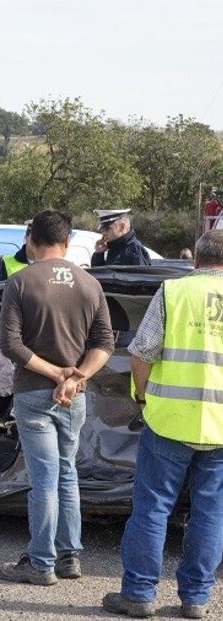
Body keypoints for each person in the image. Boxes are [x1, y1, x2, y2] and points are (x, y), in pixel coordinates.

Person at [101, 229, 223, 620]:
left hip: (169, 421)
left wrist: (142, 395)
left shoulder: (173, 292)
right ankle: (196, 600)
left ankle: (138, 595)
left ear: (196, 260)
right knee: (212, 513)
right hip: (221, 428)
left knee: (153, 509)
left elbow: (141, 353)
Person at [0, 210, 114, 586]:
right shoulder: (90, 284)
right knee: (67, 474)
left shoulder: (20, 281)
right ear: (67, 242)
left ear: (32, 241)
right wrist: (75, 377)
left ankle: (40, 563)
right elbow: (104, 344)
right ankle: (69, 557)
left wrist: (54, 375)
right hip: (73, 398)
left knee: (44, 479)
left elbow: (9, 344)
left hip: (34, 394)